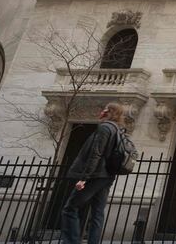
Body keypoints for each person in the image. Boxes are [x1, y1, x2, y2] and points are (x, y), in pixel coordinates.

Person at [60, 102, 125, 244]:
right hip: (107, 176)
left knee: (70, 208)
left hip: (96, 175)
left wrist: (84, 178)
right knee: (97, 212)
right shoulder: (118, 129)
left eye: (105, 109)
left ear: (109, 111)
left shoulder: (105, 128)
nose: (102, 111)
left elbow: (96, 153)